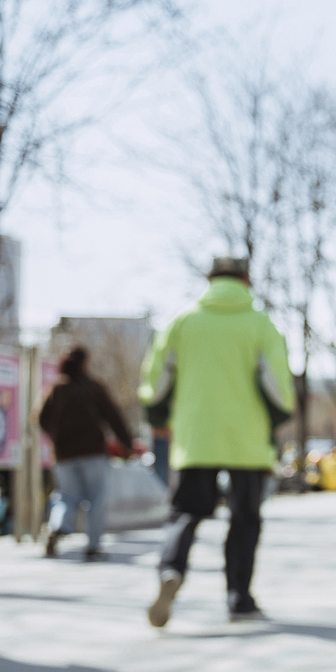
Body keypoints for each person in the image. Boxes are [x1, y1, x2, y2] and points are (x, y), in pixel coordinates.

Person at [140, 256, 294, 626]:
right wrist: (278, 418)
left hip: (196, 438)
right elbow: (278, 387)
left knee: (186, 512)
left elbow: (157, 379)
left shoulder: (183, 322)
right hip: (247, 440)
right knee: (245, 519)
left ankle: (171, 570)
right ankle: (239, 598)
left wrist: (156, 416)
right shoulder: (261, 325)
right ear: (247, 280)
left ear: (209, 279)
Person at [38, 345, 136, 560]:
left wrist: (57, 437)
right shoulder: (93, 386)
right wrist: (126, 443)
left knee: (66, 496)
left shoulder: (56, 388)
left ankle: (57, 526)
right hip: (92, 452)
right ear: (84, 363)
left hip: (64, 455)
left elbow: (41, 418)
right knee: (96, 498)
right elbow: (113, 415)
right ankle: (93, 546)